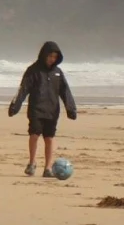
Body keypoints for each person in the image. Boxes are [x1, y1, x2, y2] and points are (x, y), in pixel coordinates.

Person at [8, 40, 78, 176]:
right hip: (36, 109)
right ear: (44, 55)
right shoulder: (33, 70)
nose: (52, 59)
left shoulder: (58, 72)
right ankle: (32, 163)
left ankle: (47, 168)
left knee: (49, 138)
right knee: (34, 135)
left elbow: (65, 92)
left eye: (55, 57)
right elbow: (23, 89)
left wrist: (71, 109)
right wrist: (15, 106)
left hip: (52, 110)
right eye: (50, 56)